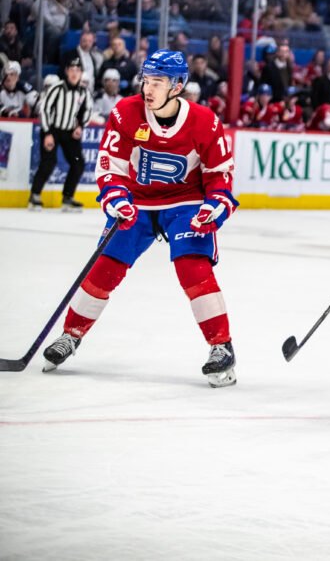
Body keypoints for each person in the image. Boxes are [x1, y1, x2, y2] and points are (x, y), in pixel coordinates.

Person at [41, 50, 240, 388]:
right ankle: (71, 334)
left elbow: (219, 174)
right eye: (146, 80)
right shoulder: (126, 112)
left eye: (157, 82)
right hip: (138, 202)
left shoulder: (205, 121)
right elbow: (111, 165)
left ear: (176, 86)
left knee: (192, 266)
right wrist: (116, 196)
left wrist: (216, 204)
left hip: (186, 203)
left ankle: (221, 347)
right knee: (105, 267)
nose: (148, 89)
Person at [29, 55, 94, 211]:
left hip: (70, 132)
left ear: (81, 73)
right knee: (48, 163)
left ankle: (67, 197)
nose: (74, 73)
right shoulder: (57, 88)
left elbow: (87, 110)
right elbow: (44, 109)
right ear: (66, 71)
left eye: (77, 70)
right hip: (52, 129)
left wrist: (81, 127)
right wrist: (48, 133)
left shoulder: (84, 92)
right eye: (71, 69)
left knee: (78, 163)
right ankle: (35, 195)